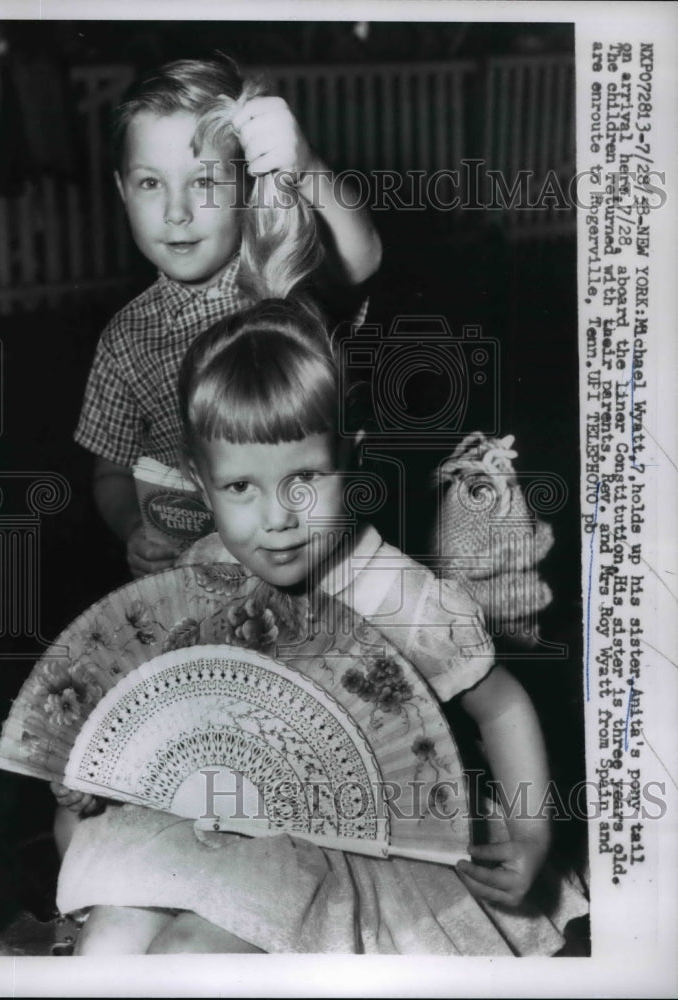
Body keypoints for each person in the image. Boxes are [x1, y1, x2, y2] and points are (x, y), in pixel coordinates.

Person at [55, 299, 586, 955]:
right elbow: (166, 697)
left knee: (187, 957)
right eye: (240, 488)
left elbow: (501, 706)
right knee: (105, 947)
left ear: (349, 456)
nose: (276, 518)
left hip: (350, 855)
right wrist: (95, 768)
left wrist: (532, 835)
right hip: (221, 823)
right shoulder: (204, 572)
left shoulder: (393, 595)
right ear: (199, 481)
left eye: (303, 479)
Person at [73, 57, 381, 579]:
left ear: (246, 185)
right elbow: (110, 471)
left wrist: (304, 167)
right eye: (150, 184)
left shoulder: (279, 278)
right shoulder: (125, 339)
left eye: (205, 183)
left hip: (319, 557)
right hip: (202, 576)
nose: (176, 212)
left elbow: (362, 257)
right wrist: (131, 526)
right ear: (122, 190)